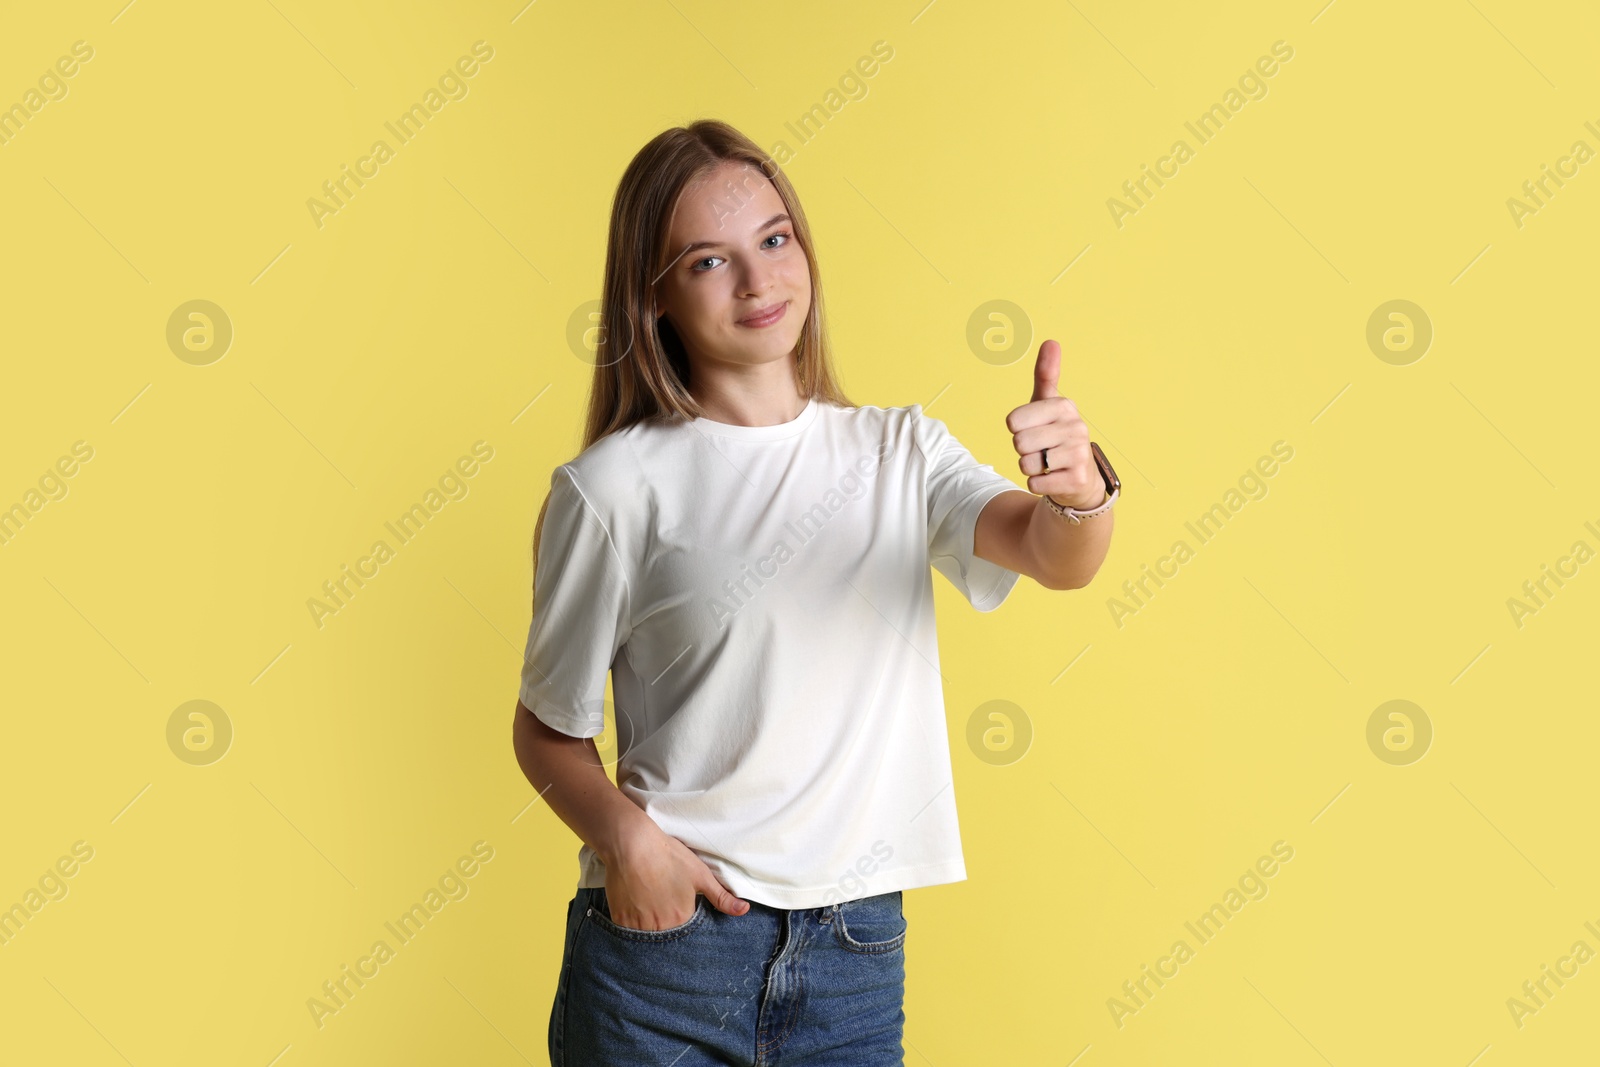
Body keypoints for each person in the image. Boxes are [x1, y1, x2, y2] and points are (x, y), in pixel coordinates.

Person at [511, 119, 1116, 1066]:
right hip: (667, 957)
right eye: (709, 261)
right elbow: (545, 729)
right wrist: (629, 845)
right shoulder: (611, 488)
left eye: (775, 239)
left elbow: (1055, 556)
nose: (758, 282)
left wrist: (1079, 491)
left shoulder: (897, 450)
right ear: (655, 297)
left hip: (854, 955)